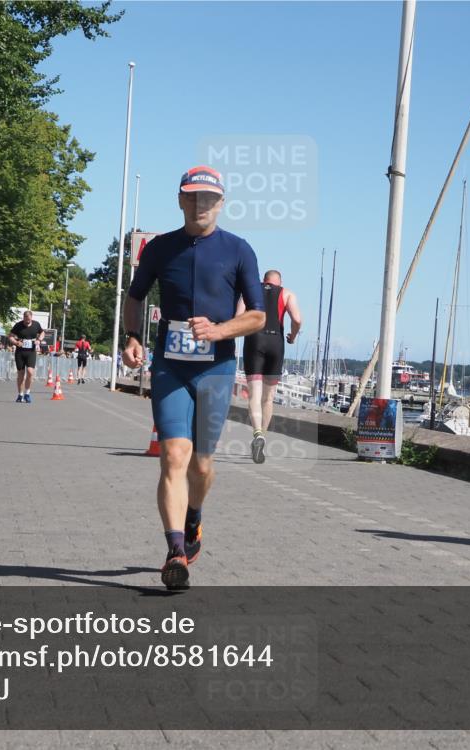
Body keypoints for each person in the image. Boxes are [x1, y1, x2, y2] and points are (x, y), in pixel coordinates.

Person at [122, 165, 265, 590]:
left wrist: (220, 330)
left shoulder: (239, 250)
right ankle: (175, 551)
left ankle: (194, 516)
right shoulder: (160, 248)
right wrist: (132, 336)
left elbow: (257, 315)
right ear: (181, 200)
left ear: (221, 203)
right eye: (193, 197)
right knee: (173, 457)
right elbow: (135, 297)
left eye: (209, 198)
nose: (201, 204)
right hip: (170, 365)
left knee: (202, 464)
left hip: (217, 369)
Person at [236, 270, 302, 463]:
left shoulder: (249, 291)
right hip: (276, 342)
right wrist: (293, 335)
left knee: (255, 396)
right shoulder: (287, 293)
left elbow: (238, 316)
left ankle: (257, 434)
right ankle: (262, 436)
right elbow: (297, 320)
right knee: (268, 398)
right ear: (279, 282)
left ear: (264, 280)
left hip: (254, 341)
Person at [8, 310, 44, 403]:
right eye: (25, 319)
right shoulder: (18, 325)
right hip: (20, 352)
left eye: (29, 320)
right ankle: (20, 395)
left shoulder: (36, 324)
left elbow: (42, 332)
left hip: (31, 351)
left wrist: (39, 340)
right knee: (21, 373)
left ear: (31, 318)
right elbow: (10, 336)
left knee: (30, 372)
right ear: (23, 318)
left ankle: (27, 393)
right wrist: (16, 342)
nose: (27, 322)